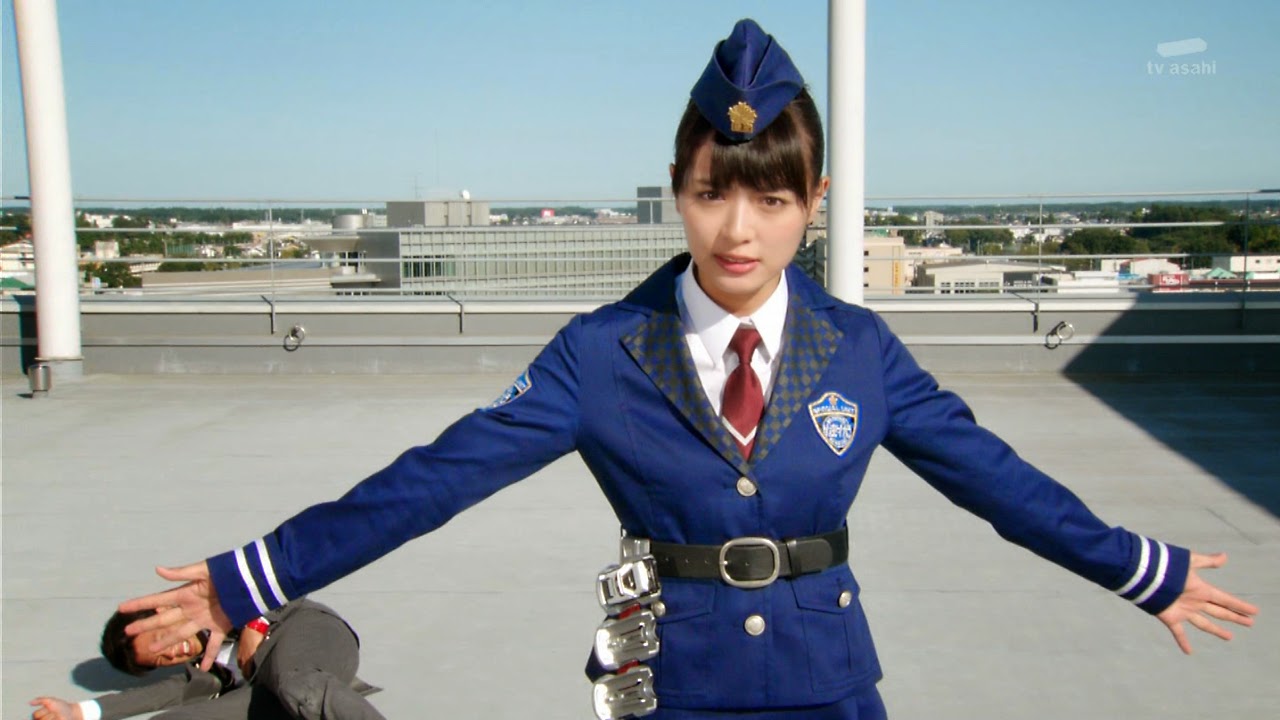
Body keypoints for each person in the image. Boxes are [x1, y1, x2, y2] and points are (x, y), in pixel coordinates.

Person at [118, 18, 1257, 719]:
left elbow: (995, 479)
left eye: (773, 198)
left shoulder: (859, 351)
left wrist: (1138, 567)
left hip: (829, 683)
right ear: (675, 190)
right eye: (712, 193)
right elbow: (430, 482)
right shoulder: (600, 354)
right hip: (669, 687)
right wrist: (250, 578)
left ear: (814, 201)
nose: (739, 229)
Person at [29, 599, 383, 720]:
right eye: (161, 660)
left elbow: (284, 582)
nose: (172, 653)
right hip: (270, 691)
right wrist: (78, 712)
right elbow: (164, 694)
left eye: (161, 641)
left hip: (306, 634)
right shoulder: (204, 668)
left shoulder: (217, 599)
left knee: (298, 685)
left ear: (162, 614)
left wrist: (256, 624)